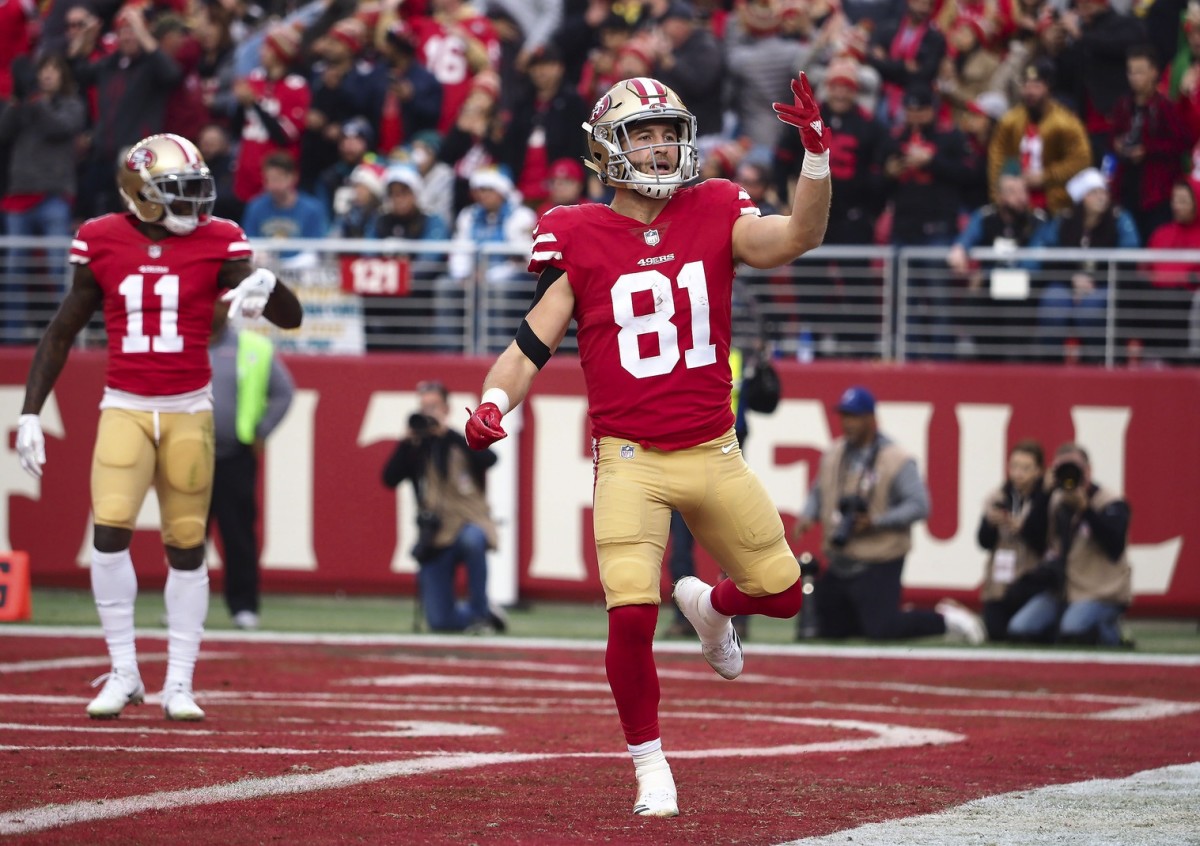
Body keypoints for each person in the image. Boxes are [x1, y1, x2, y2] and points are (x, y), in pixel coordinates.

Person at [463, 73, 831, 817]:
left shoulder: (718, 206)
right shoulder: (577, 231)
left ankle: (712, 608)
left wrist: (816, 155)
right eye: (644, 134)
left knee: (785, 594)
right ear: (608, 148)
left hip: (714, 448)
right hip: (630, 457)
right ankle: (650, 764)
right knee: (630, 612)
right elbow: (530, 344)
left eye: (669, 132)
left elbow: (799, 235)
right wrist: (494, 401)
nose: (662, 147)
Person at [15, 133, 303, 721]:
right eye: (179, 193)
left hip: (187, 409)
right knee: (110, 532)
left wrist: (269, 286)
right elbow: (62, 330)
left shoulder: (219, 240)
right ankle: (124, 670)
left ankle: (179, 681)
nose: (194, 206)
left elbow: (290, 318)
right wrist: (28, 411)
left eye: (198, 192)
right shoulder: (100, 239)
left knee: (187, 544)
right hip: (124, 403)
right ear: (140, 195)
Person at [795, 385, 986, 644]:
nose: (847, 423)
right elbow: (819, 489)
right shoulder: (835, 452)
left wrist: (876, 521)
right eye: (844, 416)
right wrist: (808, 514)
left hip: (879, 558)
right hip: (840, 560)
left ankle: (946, 619)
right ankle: (871, 613)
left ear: (871, 419)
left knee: (882, 629)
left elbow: (920, 505)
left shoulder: (897, 458)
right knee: (826, 628)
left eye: (854, 416)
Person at [381, 380, 506, 634]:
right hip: (436, 534)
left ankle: (480, 612)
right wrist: (406, 442)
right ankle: (479, 616)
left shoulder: (457, 440)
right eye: (424, 407)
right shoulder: (416, 448)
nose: (428, 413)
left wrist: (447, 432)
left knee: (473, 539)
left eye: (434, 407)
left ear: (446, 409)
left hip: (469, 524)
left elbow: (490, 459)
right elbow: (389, 478)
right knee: (439, 622)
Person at [207, 300, 296, 631]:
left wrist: (262, 430)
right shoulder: (180, 344)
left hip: (235, 454)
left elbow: (283, 393)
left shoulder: (252, 346)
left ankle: (244, 606)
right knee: (185, 533)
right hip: (188, 454)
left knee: (238, 534)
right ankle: (182, 605)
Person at [1006, 443, 1133, 646]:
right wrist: (1044, 493)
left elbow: (1114, 545)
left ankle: (1112, 632)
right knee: (1020, 629)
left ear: (1088, 471)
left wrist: (1086, 510)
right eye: (1063, 469)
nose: (1069, 476)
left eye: (1074, 469)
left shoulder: (1109, 501)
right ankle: (1068, 629)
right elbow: (1034, 539)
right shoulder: (1056, 501)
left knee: (1074, 631)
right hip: (1064, 590)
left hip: (1100, 591)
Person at [975, 439, 1050, 641]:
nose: (1018, 473)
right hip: (1000, 585)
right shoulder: (997, 496)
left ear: (1039, 471)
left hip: (1031, 583)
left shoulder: (1046, 500)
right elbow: (983, 542)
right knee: (996, 633)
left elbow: (1045, 543)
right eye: (1014, 466)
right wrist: (990, 524)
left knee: (1025, 633)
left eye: (1026, 468)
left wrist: (1023, 528)